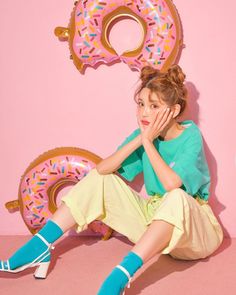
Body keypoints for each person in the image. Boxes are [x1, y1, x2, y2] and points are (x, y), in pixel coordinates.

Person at [0, 64, 224, 295]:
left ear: (174, 111)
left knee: (176, 196)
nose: (144, 113)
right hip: (158, 230)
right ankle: (41, 246)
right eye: (141, 104)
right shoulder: (143, 134)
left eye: (154, 106)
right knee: (101, 178)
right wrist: (142, 139)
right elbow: (103, 169)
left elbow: (171, 184)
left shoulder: (190, 135)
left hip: (197, 232)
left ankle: (120, 277)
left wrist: (148, 142)